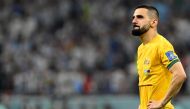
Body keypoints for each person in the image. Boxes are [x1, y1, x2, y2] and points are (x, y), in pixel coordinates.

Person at [131, 5, 187, 109]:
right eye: (133, 17)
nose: (134, 20)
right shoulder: (141, 49)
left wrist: (162, 103)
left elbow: (180, 75)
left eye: (140, 17)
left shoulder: (162, 45)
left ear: (153, 22)